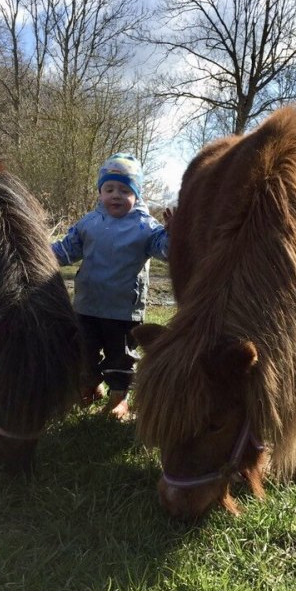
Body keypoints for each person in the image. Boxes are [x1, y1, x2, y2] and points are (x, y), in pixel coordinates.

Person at [51, 152, 170, 421]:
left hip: (123, 311)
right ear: (100, 192)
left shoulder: (146, 228)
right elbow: (65, 250)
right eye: (109, 189)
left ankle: (120, 399)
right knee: (84, 350)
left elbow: (168, 251)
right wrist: (37, 251)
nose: (116, 195)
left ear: (136, 195)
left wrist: (174, 233)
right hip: (87, 306)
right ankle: (91, 386)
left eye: (125, 190)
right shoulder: (88, 224)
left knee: (121, 358)